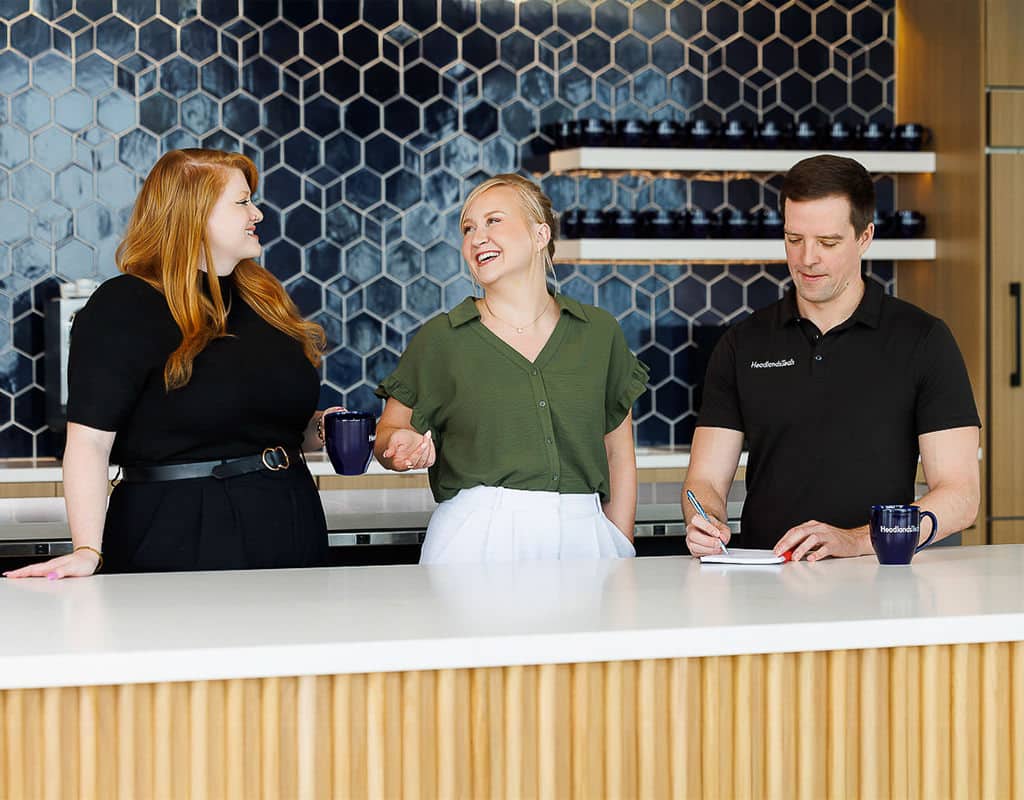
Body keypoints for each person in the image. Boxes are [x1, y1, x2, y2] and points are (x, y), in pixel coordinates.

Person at [4, 149, 338, 578]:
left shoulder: (264, 300)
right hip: (181, 530)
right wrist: (88, 549)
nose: (256, 212)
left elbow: (272, 427)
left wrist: (326, 428)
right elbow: (89, 443)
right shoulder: (124, 305)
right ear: (192, 213)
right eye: (242, 201)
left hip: (292, 521)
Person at [683, 154, 981, 562]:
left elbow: (960, 495)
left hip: (881, 582)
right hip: (765, 586)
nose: (807, 258)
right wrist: (705, 519)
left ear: (865, 236)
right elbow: (704, 480)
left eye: (828, 242)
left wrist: (858, 540)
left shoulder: (923, 340)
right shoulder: (742, 344)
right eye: (794, 239)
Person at [374, 174, 648, 563]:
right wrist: (395, 447)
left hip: (587, 537)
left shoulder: (599, 333)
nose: (477, 237)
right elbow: (390, 432)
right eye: (468, 228)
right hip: (477, 538)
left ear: (540, 236)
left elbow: (619, 451)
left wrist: (621, 543)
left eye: (493, 221)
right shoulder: (443, 338)